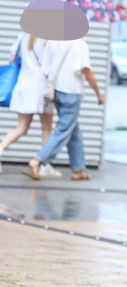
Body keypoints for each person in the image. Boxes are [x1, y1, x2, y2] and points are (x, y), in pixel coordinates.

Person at [27, 35, 103, 181]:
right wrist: (98, 93)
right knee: (63, 130)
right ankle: (38, 160)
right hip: (72, 93)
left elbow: (46, 70)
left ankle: (78, 169)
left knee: (73, 130)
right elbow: (87, 71)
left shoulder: (52, 43)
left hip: (57, 92)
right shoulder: (80, 45)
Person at [1, 34, 54, 168]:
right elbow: (48, 68)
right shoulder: (47, 39)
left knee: (22, 127)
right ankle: (42, 166)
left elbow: (12, 59)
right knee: (46, 128)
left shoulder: (22, 37)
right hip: (41, 88)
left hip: (23, 85)